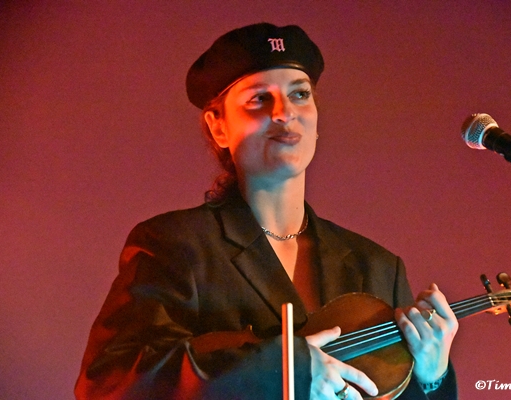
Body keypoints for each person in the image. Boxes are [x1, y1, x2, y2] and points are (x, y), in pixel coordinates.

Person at [75, 23, 458, 400]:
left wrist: (432, 379)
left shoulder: (378, 267)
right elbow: (110, 382)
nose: (285, 112)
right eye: (259, 98)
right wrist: (281, 371)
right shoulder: (175, 246)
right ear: (218, 126)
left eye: (300, 94)